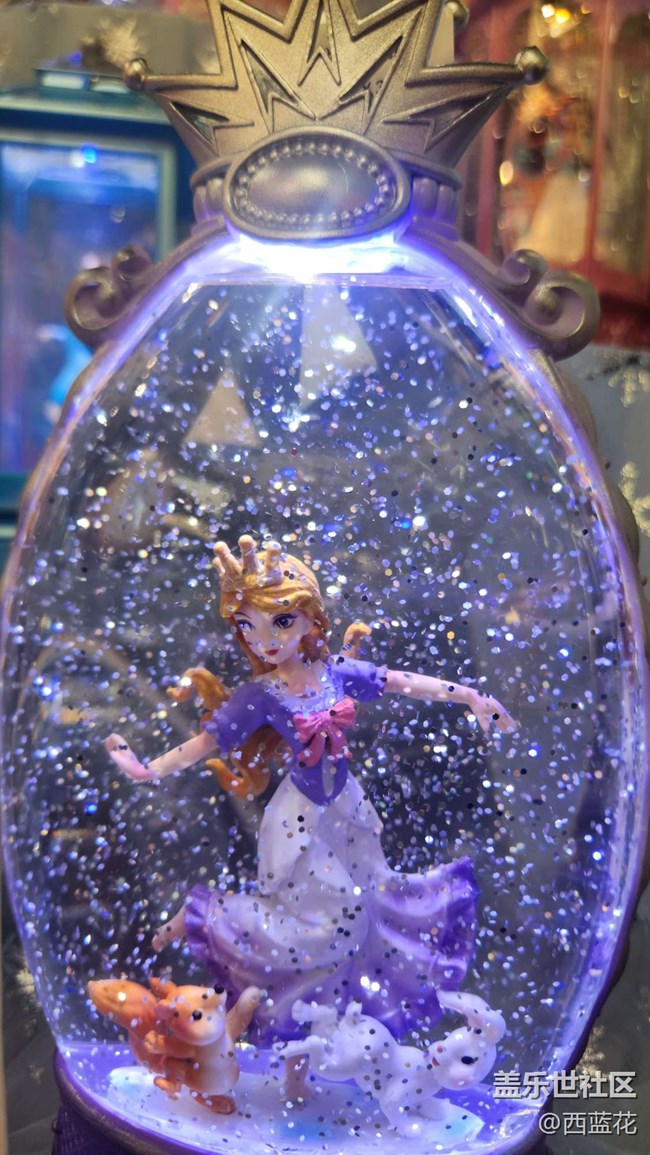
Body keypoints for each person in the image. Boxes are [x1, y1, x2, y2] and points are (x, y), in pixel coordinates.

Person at [106, 535, 516, 1054]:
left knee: (372, 908)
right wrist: (148, 770)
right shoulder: (261, 694)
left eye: (280, 622)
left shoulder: (335, 673)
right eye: (247, 626)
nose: (264, 640)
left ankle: (320, 1030)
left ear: (310, 620)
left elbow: (402, 681)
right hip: (298, 819)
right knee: (339, 919)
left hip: (345, 810)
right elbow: (206, 743)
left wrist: (471, 697)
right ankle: (215, 922)